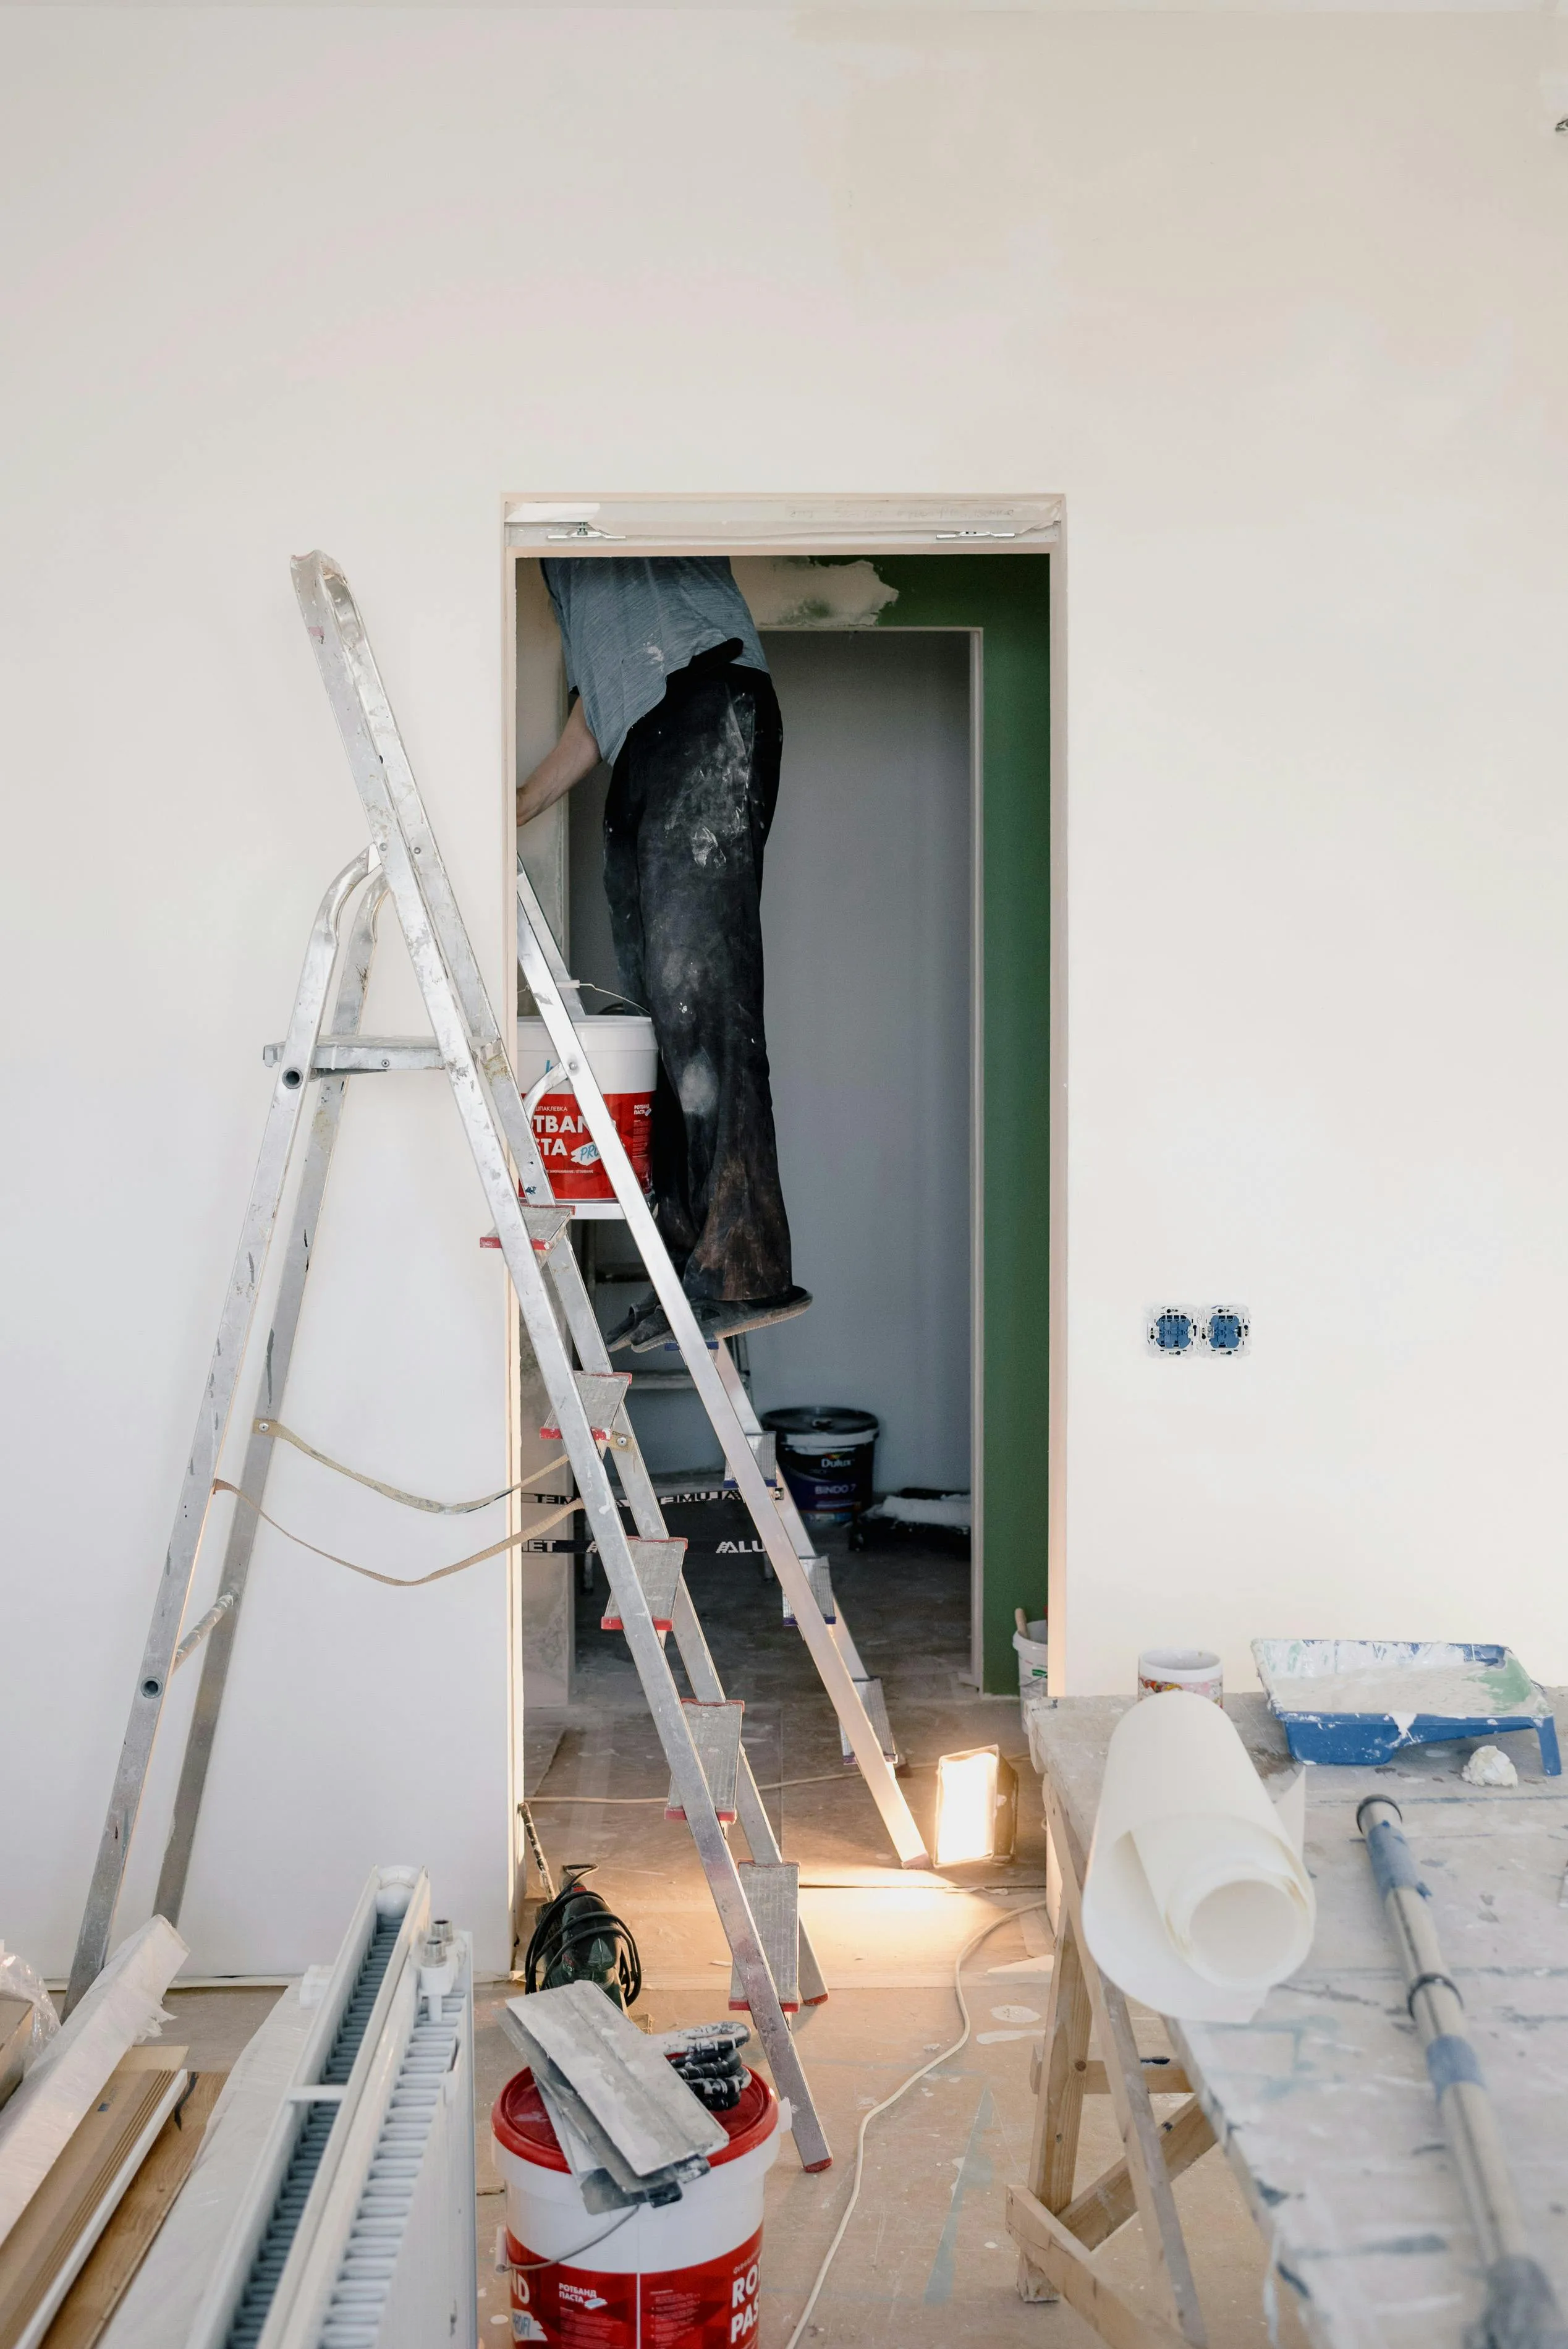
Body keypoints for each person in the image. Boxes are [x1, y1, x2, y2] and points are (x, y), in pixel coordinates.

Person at [517, 556, 810, 1354]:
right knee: (666, 1016)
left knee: (701, 997)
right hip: (640, 742)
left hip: (704, 704)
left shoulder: (603, 509)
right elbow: (598, 707)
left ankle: (745, 1267)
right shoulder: (558, 567)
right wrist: (522, 803)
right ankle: (693, 1267)